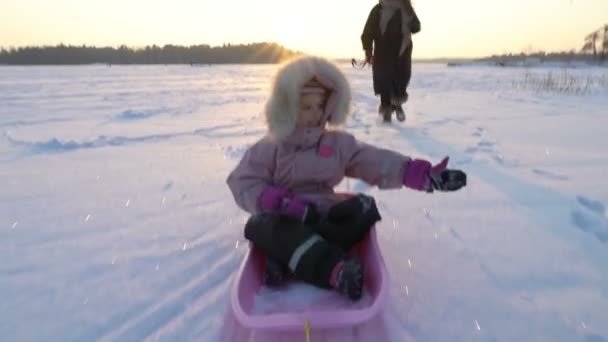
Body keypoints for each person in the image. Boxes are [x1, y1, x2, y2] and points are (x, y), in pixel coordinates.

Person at [226, 56, 466, 301]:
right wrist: (275, 201)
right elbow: (242, 181)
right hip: (285, 219)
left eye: (320, 105)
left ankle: (285, 260)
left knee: (364, 208)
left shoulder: (336, 144)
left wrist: (418, 174)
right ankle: (335, 270)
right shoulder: (270, 147)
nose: (315, 113)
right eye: (306, 107)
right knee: (260, 226)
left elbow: (371, 160)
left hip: (322, 216)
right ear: (287, 107)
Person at [361, 0, 421, 122]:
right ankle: (386, 112)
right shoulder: (378, 10)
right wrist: (368, 49)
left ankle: (397, 105)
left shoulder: (406, 8)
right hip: (383, 53)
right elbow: (368, 31)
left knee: (401, 79)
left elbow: (416, 27)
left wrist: (409, 17)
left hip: (402, 53)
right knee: (384, 81)